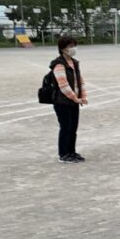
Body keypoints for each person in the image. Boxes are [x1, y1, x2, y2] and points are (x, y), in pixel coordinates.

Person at [51, 35, 87, 163]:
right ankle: (63, 154)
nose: (73, 48)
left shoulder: (74, 62)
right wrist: (75, 98)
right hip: (62, 102)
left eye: (74, 46)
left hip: (73, 101)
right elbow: (63, 85)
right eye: (70, 46)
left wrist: (83, 96)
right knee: (65, 128)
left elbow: (80, 80)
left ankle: (72, 152)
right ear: (62, 48)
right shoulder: (59, 64)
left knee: (73, 129)